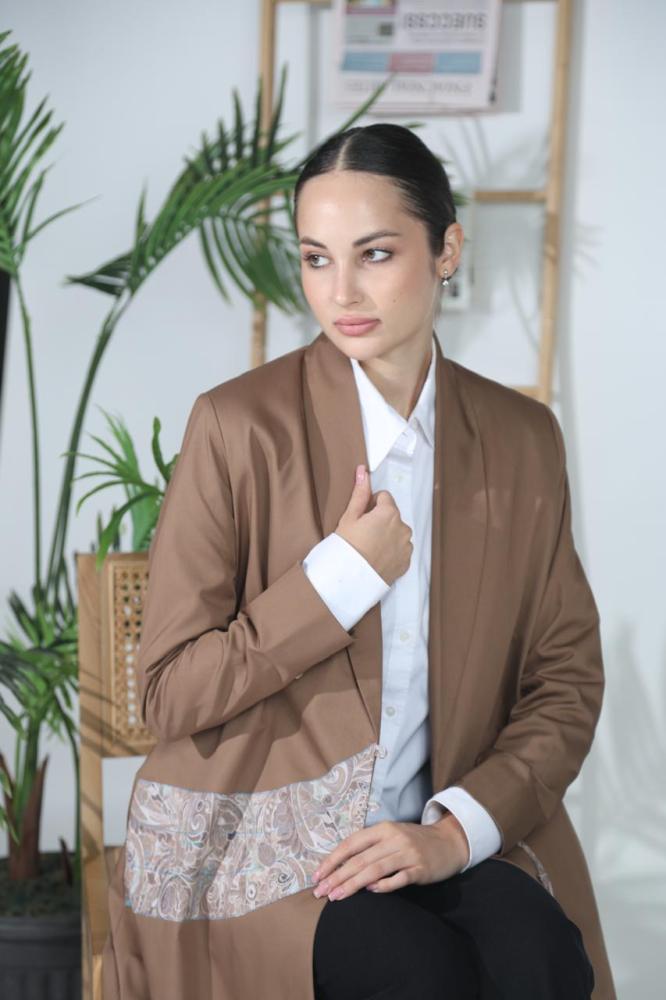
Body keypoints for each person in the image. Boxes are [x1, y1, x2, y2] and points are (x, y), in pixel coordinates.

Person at [102, 124, 616, 1000]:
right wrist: (339, 577)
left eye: (375, 254)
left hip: (440, 828)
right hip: (268, 839)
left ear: (447, 249)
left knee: (542, 960)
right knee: (418, 976)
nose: (340, 291)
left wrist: (454, 831)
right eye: (316, 258)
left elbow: (565, 681)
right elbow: (169, 693)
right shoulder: (236, 427)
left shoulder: (523, 439)